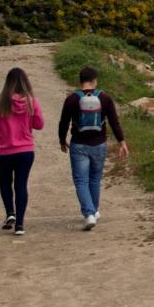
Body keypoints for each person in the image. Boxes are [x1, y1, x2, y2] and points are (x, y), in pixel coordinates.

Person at [58, 65, 127, 230]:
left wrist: (62, 140)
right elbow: (114, 122)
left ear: (80, 81)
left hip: (79, 145)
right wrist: (122, 142)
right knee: (95, 179)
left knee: (81, 181)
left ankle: (89, 214)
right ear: (94, 80)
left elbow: (63, 123)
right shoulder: (105, 98)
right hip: (99, 144)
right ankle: (94, 211)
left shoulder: (71, 99)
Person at [0, 67, 44, 236]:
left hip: (4, 151)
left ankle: (10, 212)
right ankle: (19, 225)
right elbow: (39, 125)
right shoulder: (32, 102)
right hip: (25, 151)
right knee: (21, 185)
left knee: (5, 183)